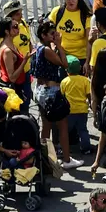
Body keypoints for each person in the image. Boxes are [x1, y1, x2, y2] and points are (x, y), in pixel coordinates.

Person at [30, 19, 75, 168]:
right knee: (62, 125)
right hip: (51, 92)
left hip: (40, 90)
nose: (55, 35)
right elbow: (64, 64)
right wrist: (60, 45)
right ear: (43, 35)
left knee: (46, 125)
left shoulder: (38, 47)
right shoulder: (47, 50)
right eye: (51, 34)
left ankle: (44, 159)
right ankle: (67, 160)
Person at [63, 56, 94, 156]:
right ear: (80, 68)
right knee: (83, 130)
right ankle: (86, 149)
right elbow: (89, 95)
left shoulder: (65, 81)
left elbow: (62, 95)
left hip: (69, 111)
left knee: (66, 130)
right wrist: (91, 105)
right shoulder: (85, 80)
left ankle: (65, 148)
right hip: (82, 110)